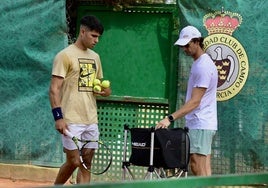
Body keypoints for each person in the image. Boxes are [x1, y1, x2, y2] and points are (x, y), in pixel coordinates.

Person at [49, 15, 111, 185]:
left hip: (91, 119)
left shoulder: (95, 57)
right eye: (94, 36)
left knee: (87, 163)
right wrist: (58, 117)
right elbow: (54, 89)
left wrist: (105, 92)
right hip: (70, 119)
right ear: (83, 32)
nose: (97, 40)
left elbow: (98, 86)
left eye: (98, 37)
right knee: (74, 161)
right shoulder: (65, 55)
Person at [156, 26, 218, 176]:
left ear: (197, 42)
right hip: (202, 123)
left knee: (197, 164)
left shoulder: (203, 66)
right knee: (204, 166)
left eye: (187, 45)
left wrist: (169, 118)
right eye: (182, 45)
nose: (184, 49)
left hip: (201, 122)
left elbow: (195, 101)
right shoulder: (200, 63)